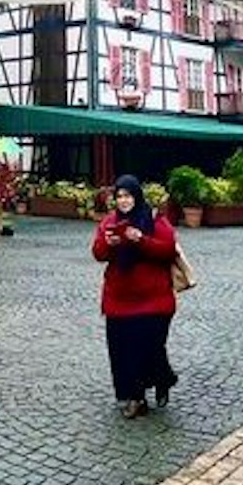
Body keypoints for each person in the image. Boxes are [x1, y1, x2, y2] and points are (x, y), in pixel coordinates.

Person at [91, 174, 179, 419]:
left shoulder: (154, 219)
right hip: (119, 298)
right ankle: (135, 397)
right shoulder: (110, 222)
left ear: (137, 196)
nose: (123, 201)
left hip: (153, 300)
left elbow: (168, 250)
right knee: (122, 350)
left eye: (128, 195)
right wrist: (109, 243)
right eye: (119, 196)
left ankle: (162, 378)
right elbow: (98, 253)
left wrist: (141, 240)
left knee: (149, 349)